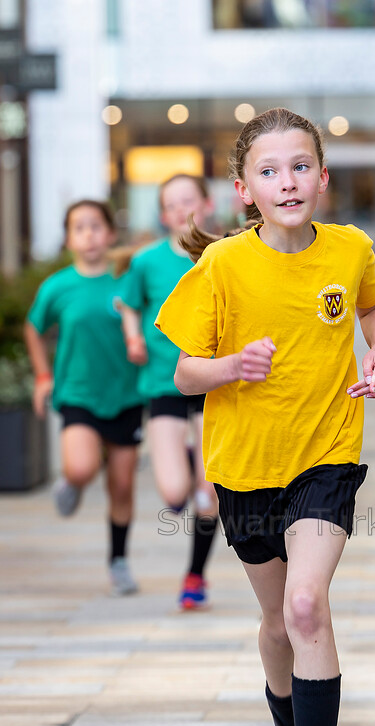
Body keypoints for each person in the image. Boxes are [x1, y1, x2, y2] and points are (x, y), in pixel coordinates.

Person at [156, 107, 375, 726]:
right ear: (243, 191)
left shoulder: (350, 249)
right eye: (268, 171)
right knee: (273, 622)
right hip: (245, 468)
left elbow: (373, 309)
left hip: (325, 456)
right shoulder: (222, 265)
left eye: (298, 167)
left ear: (321, 178)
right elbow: (185, 373)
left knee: (303, 605)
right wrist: (230, 366)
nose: (285, 181)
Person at [24, 200, 143, 597]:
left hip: (126, 395)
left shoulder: (127, 278)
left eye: (96, 226)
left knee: (123, 487)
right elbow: (33, 327)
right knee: (80, 468)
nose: (89, 234)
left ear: (110, 234)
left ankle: (119, 561)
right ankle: (72, 485)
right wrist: (43, 376)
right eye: (79, 228)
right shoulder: (57, 286)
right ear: (69, 238)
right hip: (77, 393)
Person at [120, 174, 220, 610]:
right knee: (175, 492)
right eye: (172, 204)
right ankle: (186, 458)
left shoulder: (222, 254)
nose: (182, 210)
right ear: (163, 215)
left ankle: (195, 575)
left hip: (210, 382)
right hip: (163, 382)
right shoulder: (146, 262)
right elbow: (127, 302)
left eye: (189, 200)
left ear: (208, 203)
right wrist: (132, 339)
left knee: (209, 490)